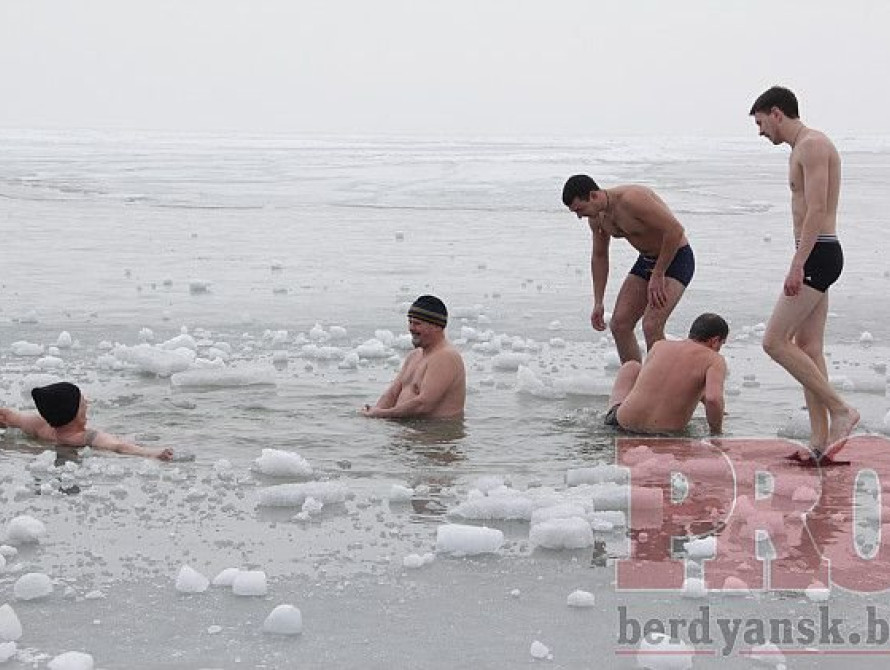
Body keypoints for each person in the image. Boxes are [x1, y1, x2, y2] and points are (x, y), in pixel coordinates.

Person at [749, 86, 859, 461]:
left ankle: (841, 409)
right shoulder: (801, 148)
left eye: (762, 123)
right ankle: (819, 442)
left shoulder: (812, 145)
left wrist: (798, 263)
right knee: (809, 348)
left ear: (777, 113)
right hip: (816, 253)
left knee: (774, 342)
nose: (761, 132)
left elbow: (816, 209)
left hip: (819, 253)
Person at [562, 174, 694, 364]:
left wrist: (658, 273)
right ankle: (634, 383)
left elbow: (675, 230)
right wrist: (598, 301)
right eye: (575, 212)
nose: (580, 216)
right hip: (647, 260)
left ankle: (663, 385)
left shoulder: (632, 199)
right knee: (619, 325)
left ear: (593, 195)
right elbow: (600, 256)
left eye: (580, 209)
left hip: (675, 258)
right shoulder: (597, 218)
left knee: (651, 325)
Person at [604, 313, 728, 435]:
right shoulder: (714, 359)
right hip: (664, 434)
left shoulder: (660, 345)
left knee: (631, 366)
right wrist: (716, 432)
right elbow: (713, 399)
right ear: (715, 341)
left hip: (622, 424)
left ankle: (610, 414)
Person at [0, 382, 175, 460]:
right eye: (83, 402)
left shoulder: (40, 426)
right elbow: (119, 447)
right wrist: (151, 452)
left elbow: (7, 415)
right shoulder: (87, 437)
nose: (87, 403)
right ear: (74, 412)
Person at [362, 295, 466, 419]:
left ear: (437, 326)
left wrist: (381, 414)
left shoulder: (446, 357)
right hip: (410, 431)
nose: (411, 328)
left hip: (435, 435)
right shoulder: (414, 356)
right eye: (410, 322)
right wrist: (374, 414)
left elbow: (424, 405)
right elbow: (392, 393)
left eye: (417, 323)